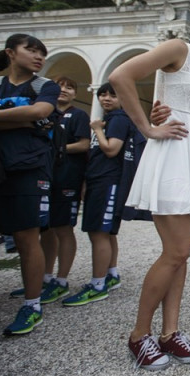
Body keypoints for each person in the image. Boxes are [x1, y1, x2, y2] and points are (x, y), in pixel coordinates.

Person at [109, 5, 190, 370]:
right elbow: (120, 76)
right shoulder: (179, 48)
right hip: (174, 154)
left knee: (181, 253)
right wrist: (147, 127)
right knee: (175, 253)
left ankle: (170, 333)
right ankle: (139, 335)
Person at [0, 34, 58, 335]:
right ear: (10, 53)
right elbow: (30, 118)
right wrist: (21, 120)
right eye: (32, 50)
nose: (38, 56)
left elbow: (40, 113)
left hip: (29, 167)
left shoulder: (45, 86)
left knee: (28, 237)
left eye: (42, 52)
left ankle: (32, 304)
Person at [62, 83, 133, 307]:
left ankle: (98, 284)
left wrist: (97, 130)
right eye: (103, 94)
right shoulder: (109, 119)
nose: (107, 98)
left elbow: (112, 149)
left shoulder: (118, 119)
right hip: (97, 180)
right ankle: (111, 273)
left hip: (108, 180)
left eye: (113, 94)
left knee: (99, 233)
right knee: (106, 232)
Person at [39, 77, 90, 304]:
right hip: (44, 177)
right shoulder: (45, 114)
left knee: (63, 228)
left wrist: (56, 148)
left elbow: (83, 144)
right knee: (45, 228)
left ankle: (62, 279)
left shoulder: (77, 115)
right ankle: (45, 276)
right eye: (60, 86)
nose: (63, 90)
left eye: (70, 87)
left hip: (67, 177)